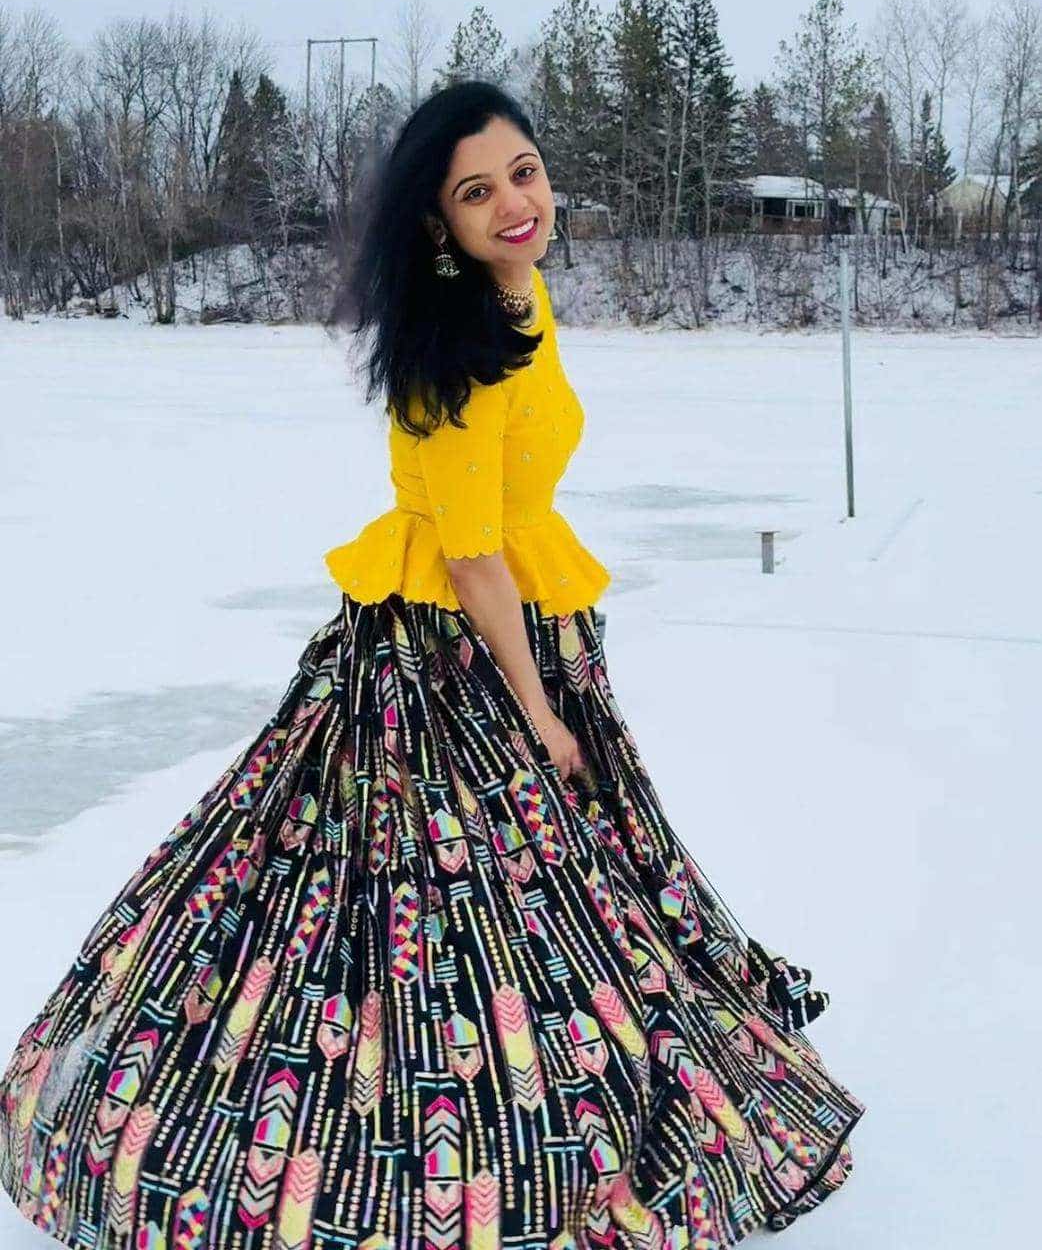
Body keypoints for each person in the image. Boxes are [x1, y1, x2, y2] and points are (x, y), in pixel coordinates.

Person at [0, 80, 865, 1248]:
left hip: (519, 620)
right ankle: (393, 1129)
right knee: (419, 892)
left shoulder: (518, 293)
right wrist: (538, 710)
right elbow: (469, 554)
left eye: (524, 171)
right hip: (448, 656)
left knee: (551, 878)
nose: (515, 202)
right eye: (477, 191)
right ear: (436, 221)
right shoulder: (453, 358)